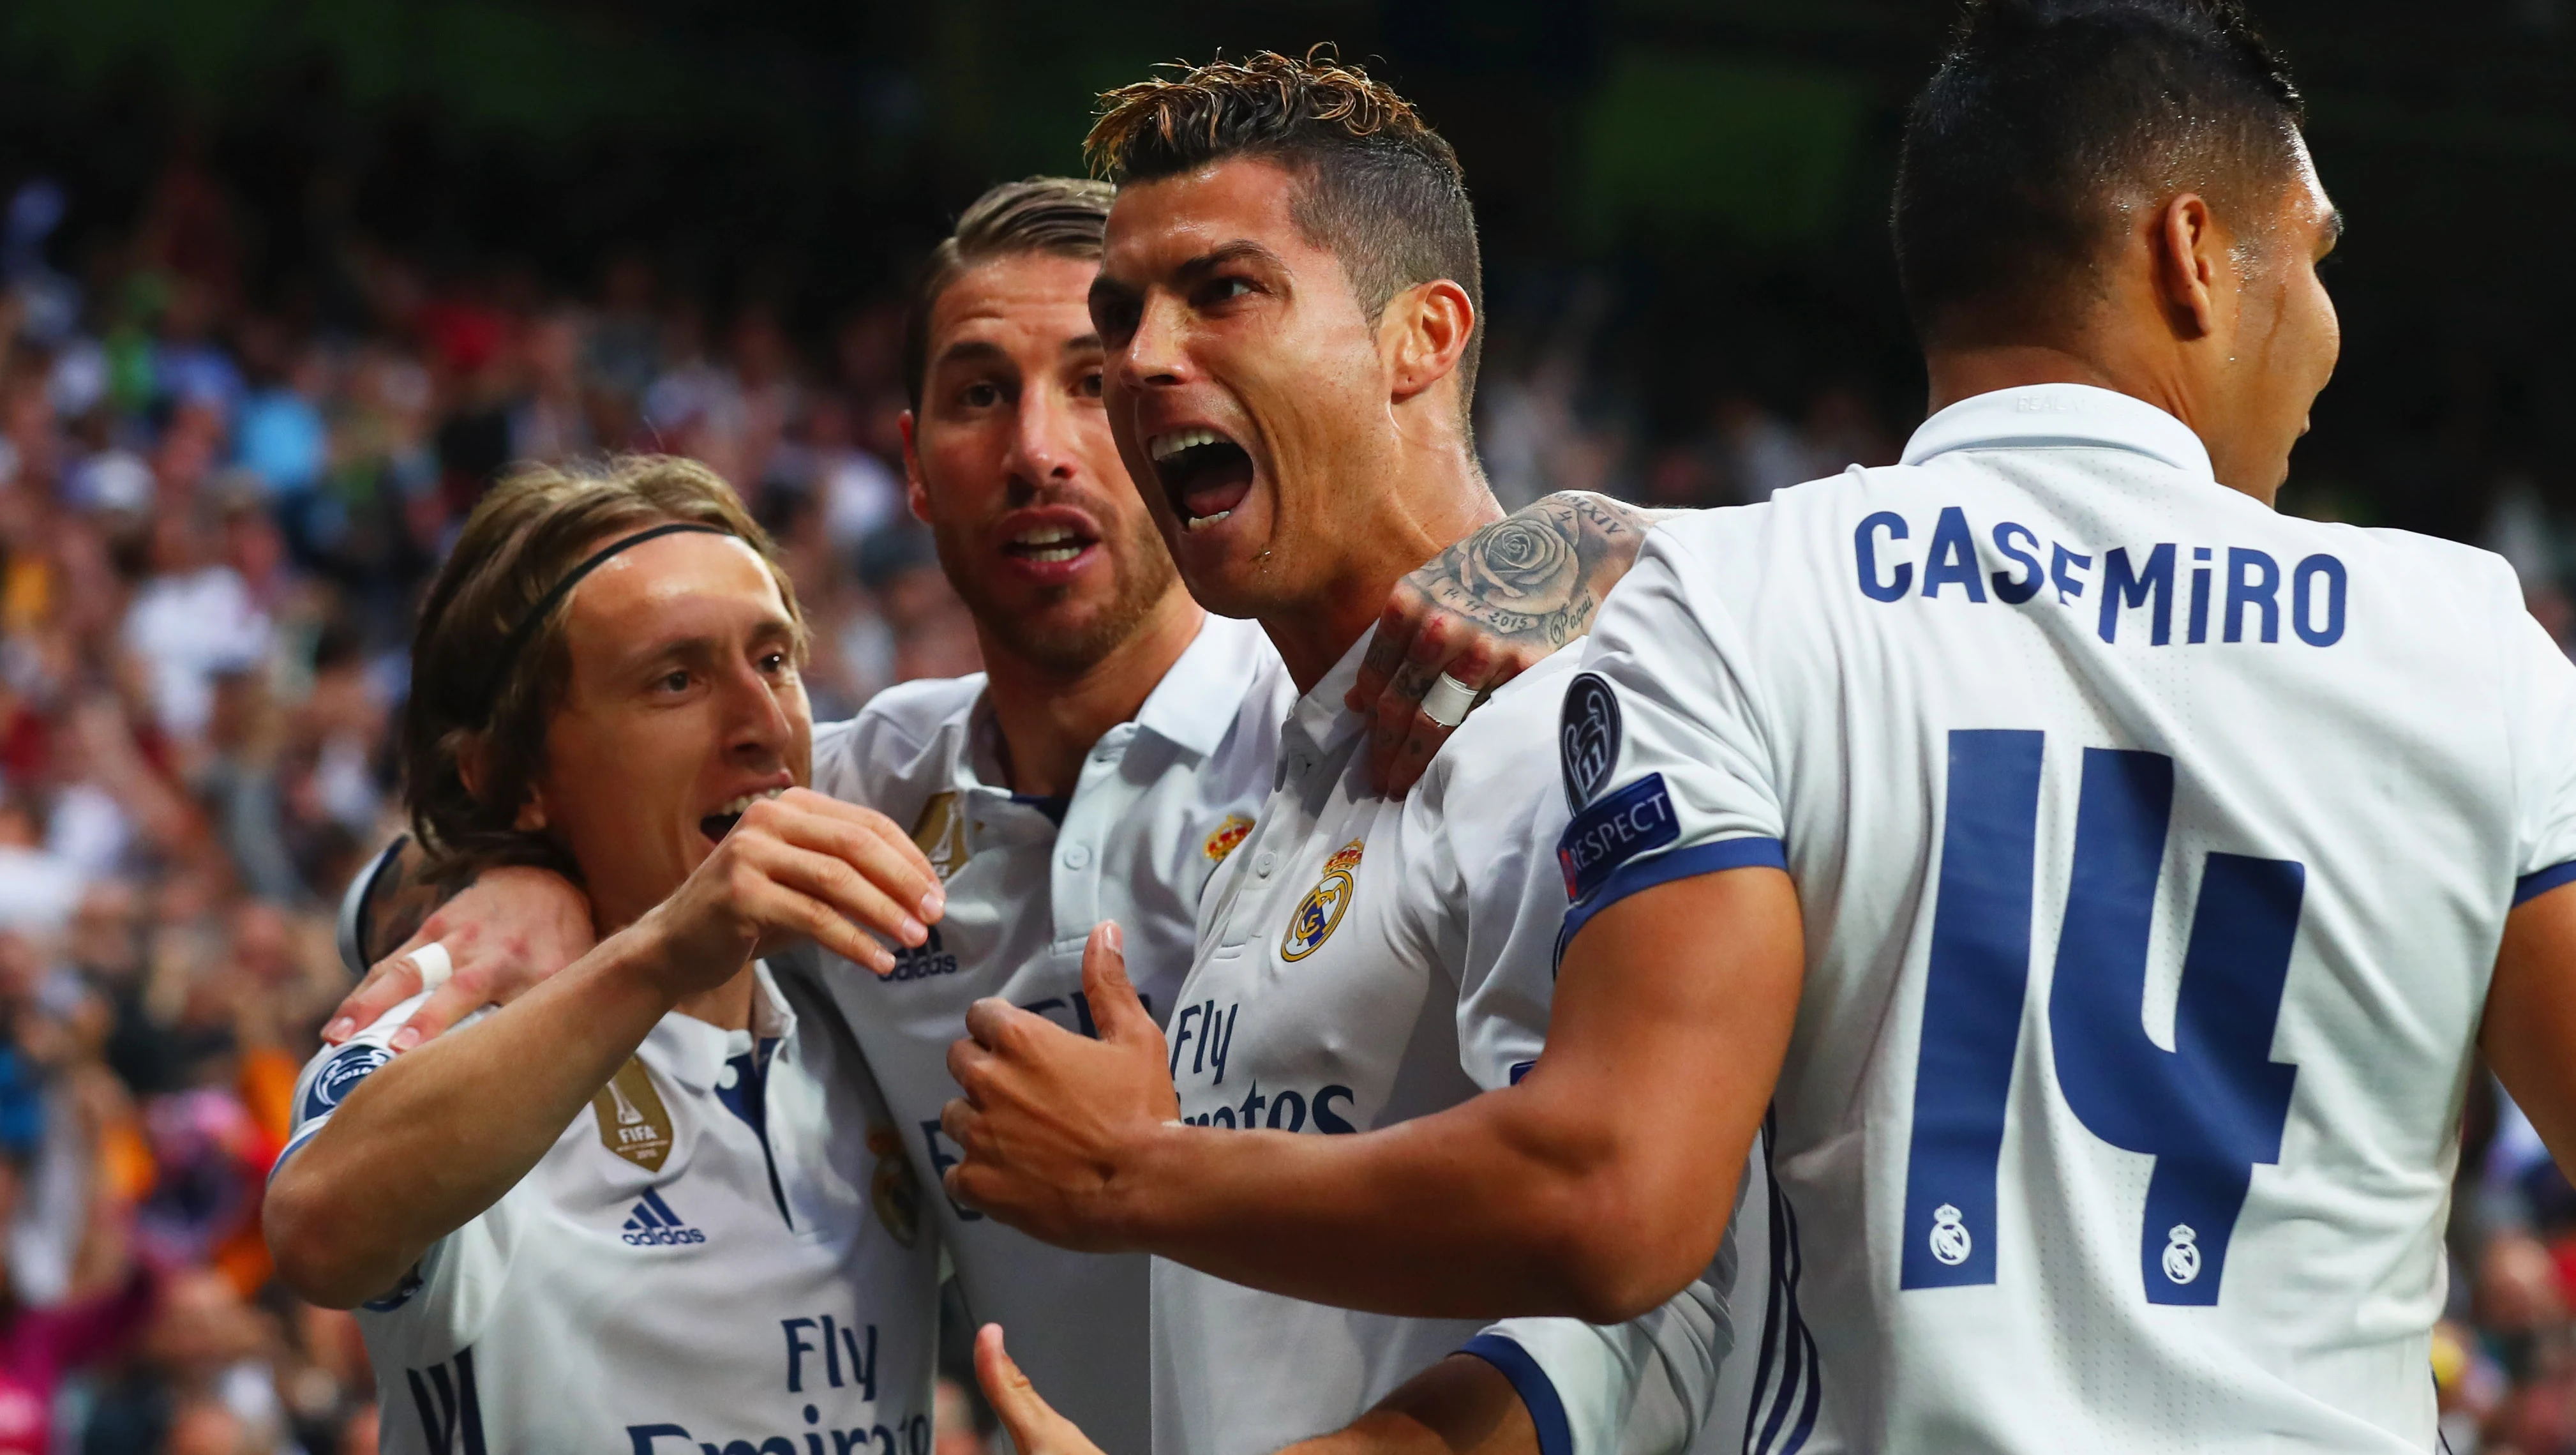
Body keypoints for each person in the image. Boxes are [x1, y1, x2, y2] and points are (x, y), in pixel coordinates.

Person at [943, 3, 2576, 1452]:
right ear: (2192, 252)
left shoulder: (1720, 607)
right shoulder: (2466, 641)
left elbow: (1628, 1215)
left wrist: (1130, 1174)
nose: (2327, 328)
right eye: (2318, 260)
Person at [312, 177, 1657, 1455]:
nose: (1035, 450)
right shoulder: (868, 793)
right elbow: (623, 808)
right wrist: (502, 879)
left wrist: (1585, 545)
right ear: (912, 463)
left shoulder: (1385, 718)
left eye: (1090, 385)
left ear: (1166, 422)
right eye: (978, 394)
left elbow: (1639, 1237)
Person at [936, 53, 1755, 1455]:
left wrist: (1138, 1170)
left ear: (1420, 337)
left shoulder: (1563, 717)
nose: (1136, 360)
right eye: (1123, 312)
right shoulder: (1299, 753)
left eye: (1225, 290)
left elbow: (1647, 1288)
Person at [262, 457, 951, 1451]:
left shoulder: (869, 1015)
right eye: (675, 679)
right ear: (514, 777)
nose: (765, 727)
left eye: (774, 660)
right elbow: (319, 1229)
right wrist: (657, 953)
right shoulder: (455, 1013)